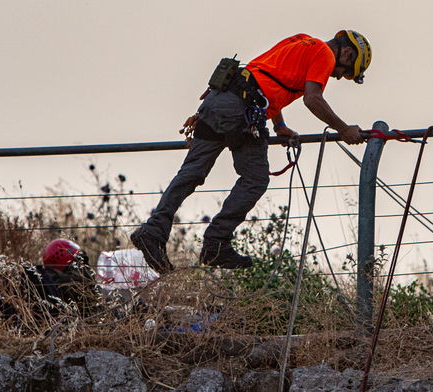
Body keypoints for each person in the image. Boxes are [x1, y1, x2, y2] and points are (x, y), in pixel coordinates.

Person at [130, 30, 370, 272]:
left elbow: (266, 78)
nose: (338, 76)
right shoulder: (325, 54)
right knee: (255, 179)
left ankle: (153, 231)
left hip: (218, 99)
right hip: (241, 109)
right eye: (346, 72)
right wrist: (344, 129)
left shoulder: (301, 40)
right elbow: (312, 98)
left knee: (192, 172)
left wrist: (279, 125)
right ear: (347, 54)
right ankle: (216, 243)